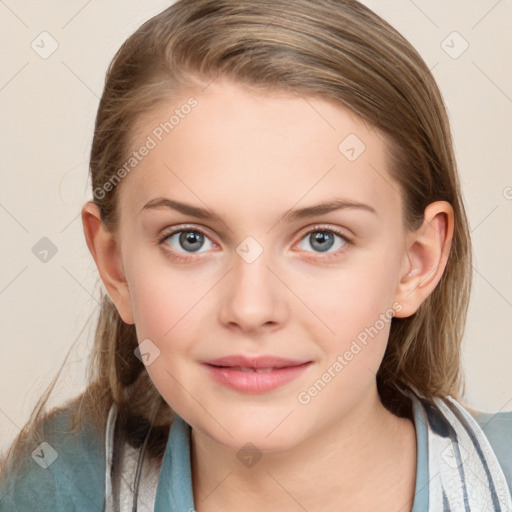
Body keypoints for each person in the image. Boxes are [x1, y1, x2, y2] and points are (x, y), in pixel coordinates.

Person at [1, 0, 511, 510]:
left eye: (321, 239)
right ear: (115, 267)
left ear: (416, 263)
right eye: (190, 239)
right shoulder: (55, 486)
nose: (250, 308)